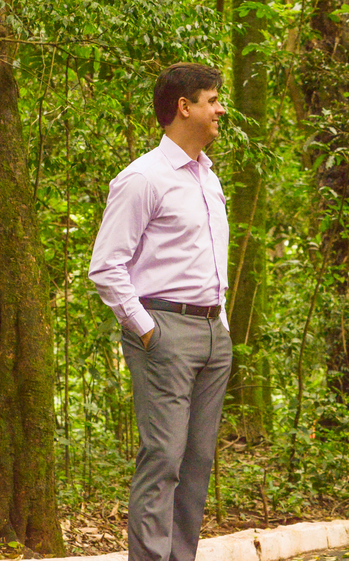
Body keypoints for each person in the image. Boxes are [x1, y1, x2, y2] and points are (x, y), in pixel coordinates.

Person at [88, 63, 234, 561]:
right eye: (212, 100)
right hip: (165, 329)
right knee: (164, 459)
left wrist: (224, 327)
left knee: (196, 464)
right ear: (184, 107)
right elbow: (106, 266)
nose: (220, 109)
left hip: (214, 332)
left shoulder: (208, 179)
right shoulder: (142, 177)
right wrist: (149, 331)